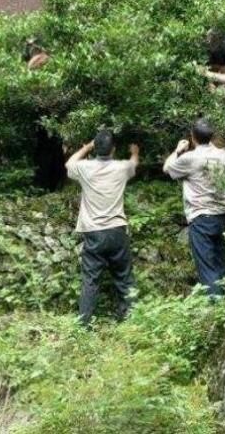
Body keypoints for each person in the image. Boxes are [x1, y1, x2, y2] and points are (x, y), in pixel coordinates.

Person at [65, 130, 140, 325]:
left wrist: (86, 147)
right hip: (117, 230)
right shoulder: (122, 168)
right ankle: (130, 319)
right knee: (124, 277)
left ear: (95, 149)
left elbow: (69, 164)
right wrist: (134, 152)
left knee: (90, 280)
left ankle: (84, 323)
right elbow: (133, 164)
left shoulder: (84, 168)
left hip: (94, 232)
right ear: (113, 149)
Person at [163, 118, 225, 297]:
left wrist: (177, 150)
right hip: (223, 214)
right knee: (221, 263)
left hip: (201, 217)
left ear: (193, 137)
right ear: (211, 136)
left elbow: (167, 169)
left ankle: (216, 309)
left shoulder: (190, 158)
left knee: (208, 268)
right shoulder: (223, 155)